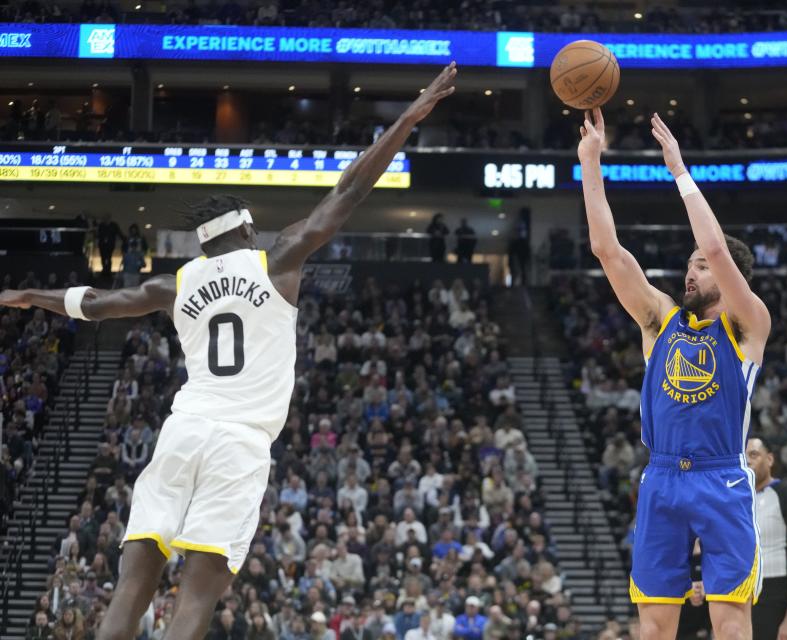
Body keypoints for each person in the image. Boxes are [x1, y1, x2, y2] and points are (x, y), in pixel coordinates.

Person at [0, 62, 457, 640]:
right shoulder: (280, 260)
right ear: (245, 231)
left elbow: (96, 302)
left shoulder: (176, 284)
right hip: (239, 442)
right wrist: (408, 119)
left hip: (184, 429)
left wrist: (29, 295)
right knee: (198, 595)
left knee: (133, 583)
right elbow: (349, 189)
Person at [579, 107, 771, 640]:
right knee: (654, 627)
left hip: (722, 477)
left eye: (701, 267)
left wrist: (678, 170)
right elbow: (607, 250)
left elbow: (715, 245)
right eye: (688, 264)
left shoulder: (749, 323)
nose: (691, 269)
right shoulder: (660, 319)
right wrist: (590, 163)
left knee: (730, 624)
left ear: (732, 279)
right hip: (661, 477)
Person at [746, 438, 787, 640]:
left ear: (769, 459)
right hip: (743, 597)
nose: (748, 460)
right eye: (743, 456)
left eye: (754, 454)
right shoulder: (733, 500)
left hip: (778, 597)